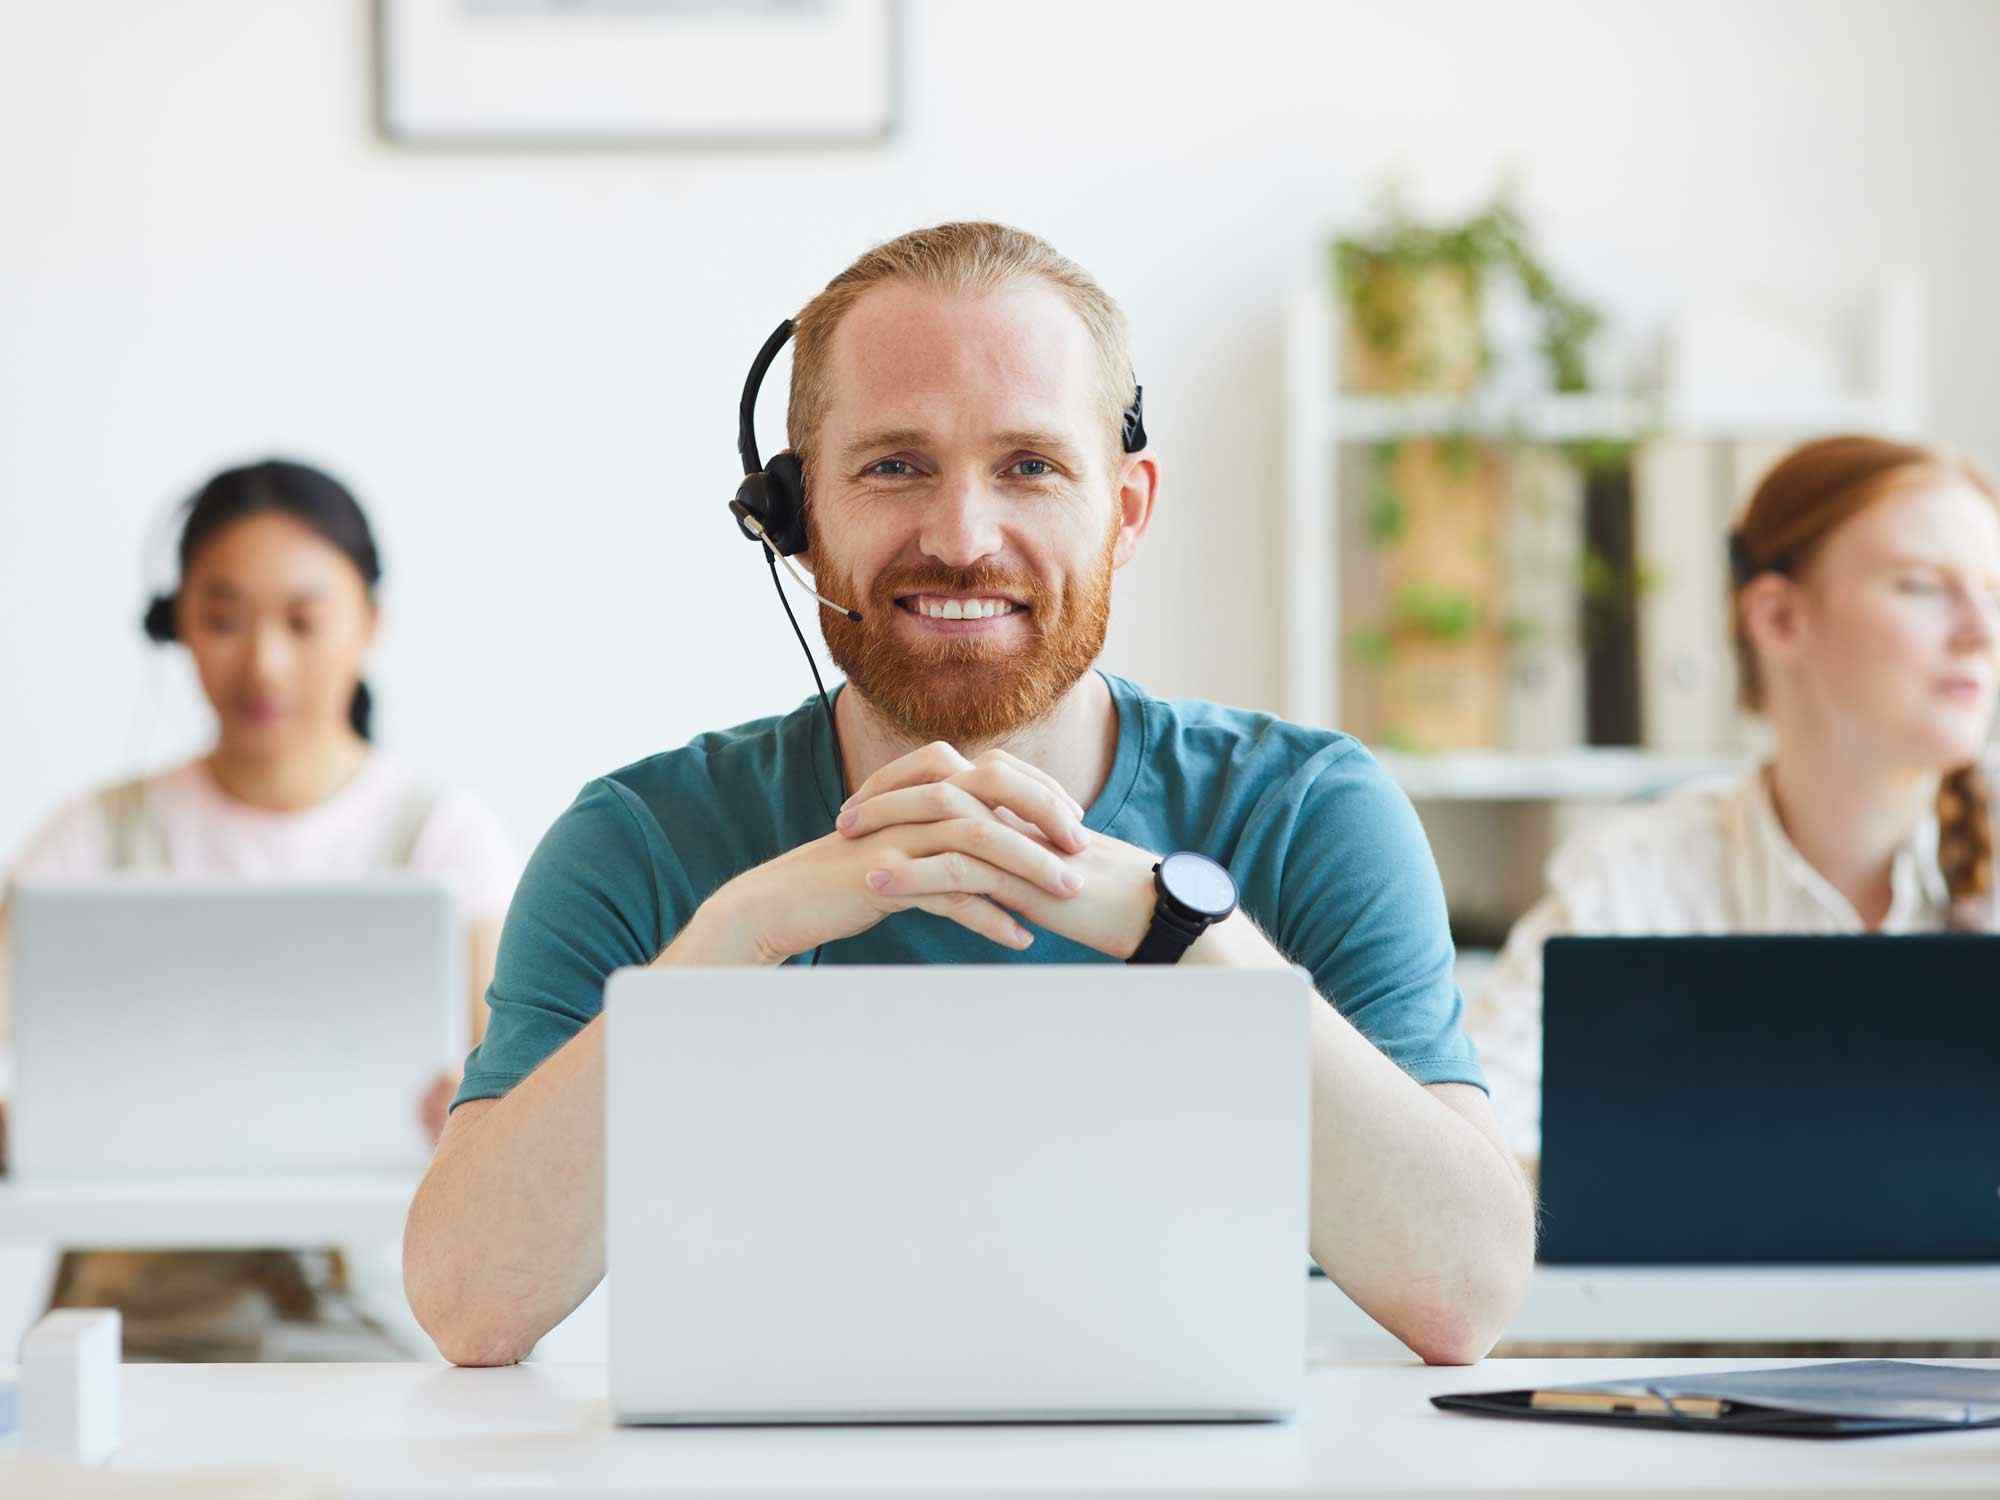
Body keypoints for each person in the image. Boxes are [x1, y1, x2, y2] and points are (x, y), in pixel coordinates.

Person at [404, 222, 1535, 1369]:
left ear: (1126, 510)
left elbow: (1466, 1293)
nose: (960, 538)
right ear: (794, 521)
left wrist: (1184, 935)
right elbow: (467, 1304)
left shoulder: (1305, 811)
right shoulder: (638, 840)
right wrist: (726, 947)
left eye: (1029, 467)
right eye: (893, 466)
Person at [0, 457, 520, 1359]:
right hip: (127, 1331)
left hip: (379, 1324)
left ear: (370, 622)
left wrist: (477, 1110)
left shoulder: (441, 837)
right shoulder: (91, 836)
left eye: (304, 621)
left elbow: (515, 1094)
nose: (264, 662)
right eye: (222, 619)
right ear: (175, 628)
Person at [1469, 435, 2000, 1170]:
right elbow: (1471, 1134)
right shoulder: (1631, 880)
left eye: (1994, 590)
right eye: (1921, 585)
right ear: (1779, 619)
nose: (1982, 632)